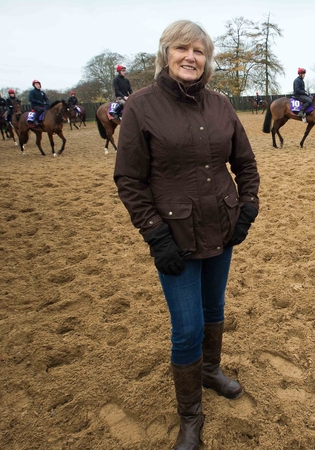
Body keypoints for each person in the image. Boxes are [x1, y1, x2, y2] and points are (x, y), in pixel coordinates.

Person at [113, 20, 260, 450]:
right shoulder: (141, 106)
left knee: (215, 308)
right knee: (187, 328)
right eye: (182, 48)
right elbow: (129, 179)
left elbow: (246, 163)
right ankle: (190, 416)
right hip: (174, 237)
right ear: (166, 53)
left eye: (199, 51)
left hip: (222, 229)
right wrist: (155, 235)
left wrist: (248, 206)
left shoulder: (220, 105)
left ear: (206, 59)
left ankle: (211, 371)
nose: (190, 57)